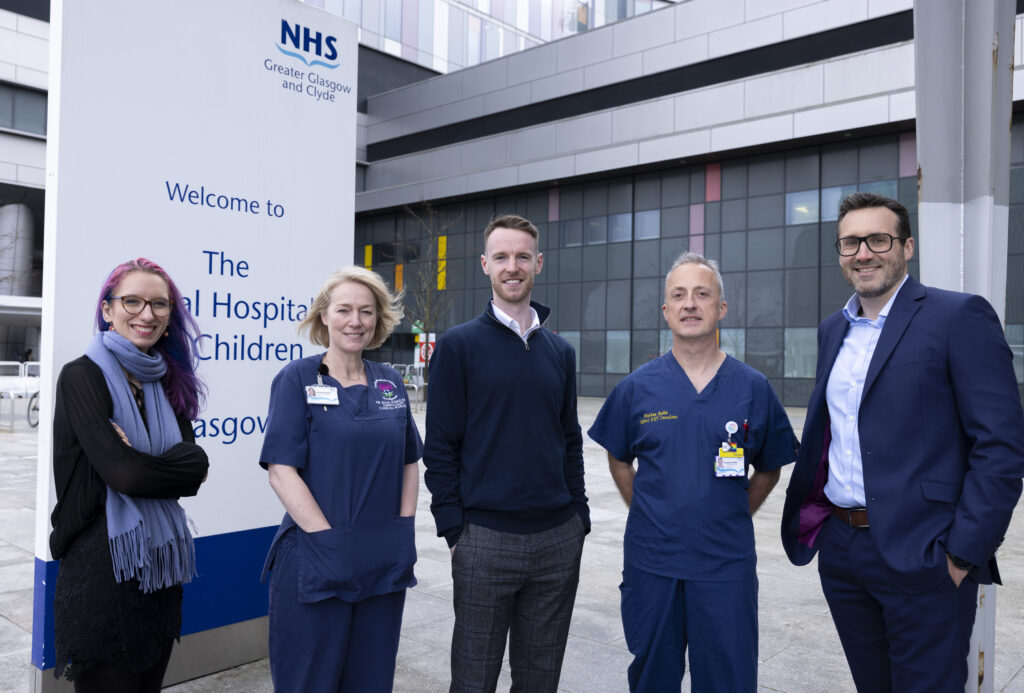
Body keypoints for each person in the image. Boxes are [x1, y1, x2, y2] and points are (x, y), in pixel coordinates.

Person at [781, 192, 1024, 692]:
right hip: (844, 551)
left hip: (924, 554)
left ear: (907, 247)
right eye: (850, 243)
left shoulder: (957, 316)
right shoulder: (833, 330)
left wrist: (960, 557)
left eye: (878, 239)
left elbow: (999, 447)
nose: (863, 253)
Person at [588, 252, 796, 692]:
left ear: (721, 308)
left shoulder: (753, 388)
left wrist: (734, 508)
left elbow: (770, 467)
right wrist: (646, 508)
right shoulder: (637, 388)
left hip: (726, 566)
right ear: (666, 311)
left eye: (702, 294)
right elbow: (619, 457)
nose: (690, 304)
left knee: (729, 681)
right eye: (678, 295)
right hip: (653, 564)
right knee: (652, 679)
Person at [424, 214, 589, 693]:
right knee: (473, 679)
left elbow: (569, 438)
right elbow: (441, 445)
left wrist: (578, 516)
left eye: (522, 257)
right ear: (484, 265)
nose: (512, 266)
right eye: (501, 257)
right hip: (484, 540)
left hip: (558, 540)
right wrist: (455, 528)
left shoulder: (560, 353)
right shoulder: (458, 346)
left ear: (538, 263)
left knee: (539, 681)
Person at [50, 258, 210, 692]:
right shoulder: (81, 376)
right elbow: (127, 477)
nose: (147, 314)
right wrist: (144, 465)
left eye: (159, 304)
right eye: (132, 301)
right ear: (107, 309)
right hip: (101, 570)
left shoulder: (168, 381)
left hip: (158, 573)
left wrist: (132, 457)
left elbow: (196, 470)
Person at [260, 266, 422, 693]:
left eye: (366, 312)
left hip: (382, 561)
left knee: (371, 680)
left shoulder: (390, 382)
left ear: (378, 320)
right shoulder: (297, 378)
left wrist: (404, 530)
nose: (356, 321)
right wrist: (328, 542)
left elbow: (409, 461)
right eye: (345, 310)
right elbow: (281, 471)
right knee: (309, 682)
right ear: (325, 317)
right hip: (316, 559)